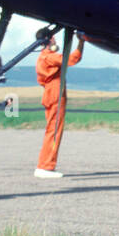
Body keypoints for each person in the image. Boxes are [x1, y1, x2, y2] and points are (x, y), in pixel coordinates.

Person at [34, 30, 85, 178]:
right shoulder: (49, 57)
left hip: (50, 93)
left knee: (51, 130)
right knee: (54, 131)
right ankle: (46, 167)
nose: (55, 39)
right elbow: (72, 59)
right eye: (52, 37)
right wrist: (81, 43)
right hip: (55, 94)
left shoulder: (43, 57)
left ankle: (44, 165)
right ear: (48, 40)